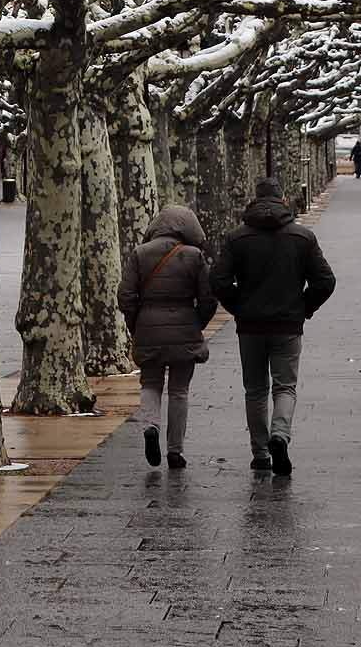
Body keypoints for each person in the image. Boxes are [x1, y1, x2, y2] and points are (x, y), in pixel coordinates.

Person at [210, 177, 336, 477]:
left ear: (254, 200)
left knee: (254, 390)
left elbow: (218, 280)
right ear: (283, 200)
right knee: (285, 387)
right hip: (287, 325)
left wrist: (239, 307)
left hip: (250, 327)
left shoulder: (236, 238)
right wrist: (304, 307)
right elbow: (325, 281)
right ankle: (279, 434)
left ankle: (260, 453)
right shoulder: (302, 237)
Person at [118, 204, 216, 470]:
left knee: (150, 384)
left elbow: (125, 295)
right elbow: (208, 298)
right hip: (185, 327)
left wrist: (136, 324)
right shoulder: (194, 256)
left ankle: (151, 426)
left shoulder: (140, 254)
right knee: (179, 390)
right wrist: (196, 323)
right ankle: (175, 450)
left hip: (148, 327)